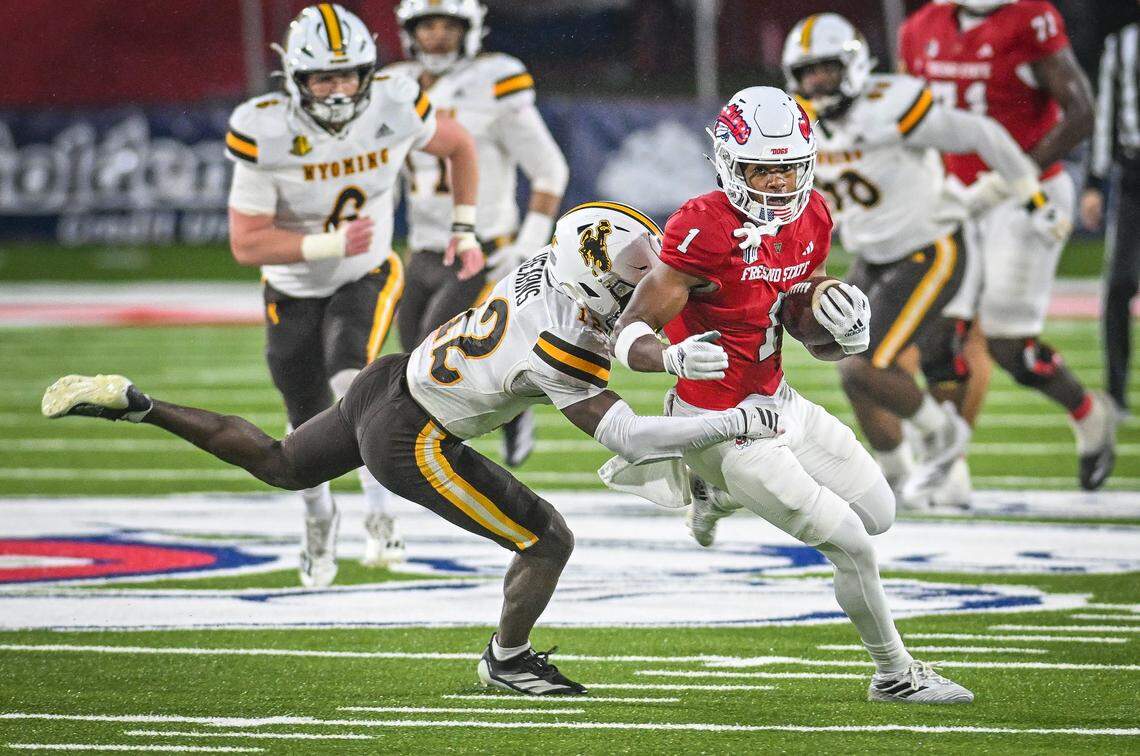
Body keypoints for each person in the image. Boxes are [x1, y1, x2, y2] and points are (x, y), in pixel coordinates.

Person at [41, 202, 781, 697]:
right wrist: (734, 423)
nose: (647, 286)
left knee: (278, 463)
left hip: (387, 381)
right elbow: (624, 433)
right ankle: (508, 659)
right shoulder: (566, 341)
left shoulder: (544, 265)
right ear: (591, 286)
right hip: (414, 438)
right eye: (630, 281)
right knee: (548, 538)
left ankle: (140, 406)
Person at [611, 86, 973, 704]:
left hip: (781, 403)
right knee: (852, 547)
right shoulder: (704, 227)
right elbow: (629, 333)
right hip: (717, 421)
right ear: (729, 163)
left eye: (789, 168)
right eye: (762, 169)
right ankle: (895, 675)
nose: (778, 184)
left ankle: (713, 492)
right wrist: (670, 355)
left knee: (879, 516)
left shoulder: (814, 219)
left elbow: (805, 334)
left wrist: (842, 330)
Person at [224, 3, 483, 585]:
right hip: (291, 284)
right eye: (323, 77)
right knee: (303, 421)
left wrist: (463, 226)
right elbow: (246, 244)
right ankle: (318, 514)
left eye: (347, 74)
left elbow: (460, 145)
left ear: (368, 72)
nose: (338, 90)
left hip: (364, 271)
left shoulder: (394, 101)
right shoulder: (265, 128)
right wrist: (325, 243)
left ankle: (381, 514)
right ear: (295, 79)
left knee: (352, 380)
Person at [782, 13, 1060, 507]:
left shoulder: (889, 105)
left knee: (862, 366)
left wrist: (1030, 196)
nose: (816, 82)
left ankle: (943, 434)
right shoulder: (801, 125)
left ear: (853, 64)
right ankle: (896, 479)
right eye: (807, 73)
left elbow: (982, 134)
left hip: (930, 249)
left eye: (825, 68)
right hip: (871, 255)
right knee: (848, 363)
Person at [899, 0, 1117, 490]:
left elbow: (1081, 114)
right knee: (938, 335)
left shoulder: (1029, 19)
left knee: (1006, 344)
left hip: (1025, 194)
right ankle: (947, 460)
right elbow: (904, 117)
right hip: (954, 197)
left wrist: (1011, 176)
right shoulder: (921, 27)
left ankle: (1087, 413)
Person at [388, 0, 569, 469]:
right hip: (424, 252)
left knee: (435, 362)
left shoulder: (495, 81)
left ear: (470, 29)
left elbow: (549, 169)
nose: (437, 37)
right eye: (426, 26)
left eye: (448, 25)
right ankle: (512, 412)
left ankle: (444, 463)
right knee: (412, 356)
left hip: (482, 250)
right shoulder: (394, 86)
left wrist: (527, 244)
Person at [1081, 20, 1140, 419]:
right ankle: (1116, 392)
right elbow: (1105, 116)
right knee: (1119, 284)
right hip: (1133, 175)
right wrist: (1095, 182)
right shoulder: (1121, 44)